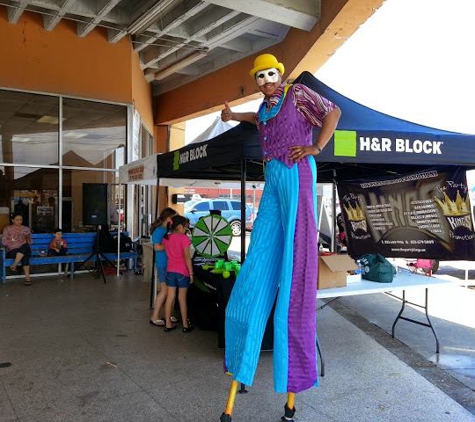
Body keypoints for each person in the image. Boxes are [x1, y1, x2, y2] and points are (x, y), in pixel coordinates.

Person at [219, 53, 341, 420]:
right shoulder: (265, 108)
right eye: (260, 77)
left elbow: (333, 112)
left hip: (296, 172)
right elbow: (253, 118)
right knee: (255, 268)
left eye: (271, 74)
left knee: (295, 269)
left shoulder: (298, 94)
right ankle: (241, 363)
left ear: (281, 74)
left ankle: (293, 381)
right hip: (272, 178)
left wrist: (317, 147)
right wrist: (231, 116)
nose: (267, 81)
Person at [162, 215, 194, 333]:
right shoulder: (184, 239)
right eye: (186, 226)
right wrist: (191, 273)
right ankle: (186, 324)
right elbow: (187, 258)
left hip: (170, 271)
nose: (186, 229)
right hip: (182, 272)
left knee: (170, 297)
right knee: (182, 298)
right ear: (180, 227)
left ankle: (168, 324)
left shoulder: (167, 238)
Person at [149, 207, 178, 327]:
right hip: (163, 263)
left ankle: (168, 314)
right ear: (168, 218)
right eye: (174, 217)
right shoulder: (160, 230)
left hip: (169, 263)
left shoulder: (166, 230)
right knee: (165, 290)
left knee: (171, 290)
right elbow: (157, 247)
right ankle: (154, 316)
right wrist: (172, 246)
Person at [2, 212, 33, 285]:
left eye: (21, 219)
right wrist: (12, 240)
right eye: (17, 220)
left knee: (25, 246)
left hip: (25, 248)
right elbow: (3, 242)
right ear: (12, 220)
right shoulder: (7, 229)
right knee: (25, 253)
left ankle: (14, 264)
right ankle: (27, 277)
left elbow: (30, 242)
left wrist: (27, 238)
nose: (19, 221)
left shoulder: (26, 229)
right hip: (13, 250)